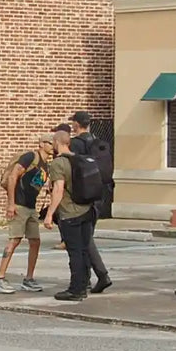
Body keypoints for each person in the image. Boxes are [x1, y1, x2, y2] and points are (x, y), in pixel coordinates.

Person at [0, 134, 53, 293]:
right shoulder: (30, 157)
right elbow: (13, 176)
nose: (52, 146)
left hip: (31, 207)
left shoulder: (46, 165)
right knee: (14, 240)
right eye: (49, 143)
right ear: (41, 144)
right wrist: (11, 203)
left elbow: (35, 184)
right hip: (19, 205)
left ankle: (29, 278)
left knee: (35, 241)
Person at [41, 131, 95, 301]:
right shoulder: (79, 159)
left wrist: (49, 214)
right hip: (87, 209)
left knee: (75, 251)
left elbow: (58, 190)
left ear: (57, 142)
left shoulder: (59, 163)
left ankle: (75, 290)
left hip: (70, 212)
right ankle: (85, 284)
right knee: (84, 249)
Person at [68, 111, 114, 293]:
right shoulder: (98, 143)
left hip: (82, 197)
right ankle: (89, 278)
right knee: (86, 237)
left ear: (76, 125)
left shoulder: (76, 144)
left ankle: (99, 275)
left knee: (83, 239)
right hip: (99, 194)